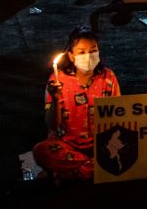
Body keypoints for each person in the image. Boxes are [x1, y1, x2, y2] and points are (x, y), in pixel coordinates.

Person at [32, 26, 120, 180]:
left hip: (101, 145)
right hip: (67, 146)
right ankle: (92, 167)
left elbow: (119, 115)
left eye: (93, 50)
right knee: (42, 151)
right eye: (82, 52)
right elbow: (52, 125)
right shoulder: (57, 81)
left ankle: (71, 172)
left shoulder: (108, 78)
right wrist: (55, 98)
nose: (89, 56)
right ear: (71, 56)